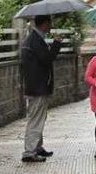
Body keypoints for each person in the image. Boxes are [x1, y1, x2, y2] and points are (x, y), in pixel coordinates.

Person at [20, 15, 63, 163]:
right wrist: (57, 43)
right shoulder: (35, 41)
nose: (51, 25)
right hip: (37, 87)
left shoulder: (35, 39)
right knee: (36, 119)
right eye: (50, 22)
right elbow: (47, 58)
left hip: (36, 86)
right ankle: (29, 152)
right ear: (44, 24)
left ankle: (37, 147)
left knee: (39, 118)